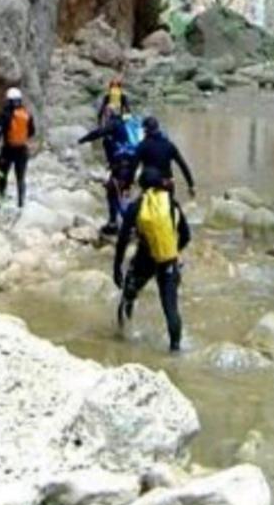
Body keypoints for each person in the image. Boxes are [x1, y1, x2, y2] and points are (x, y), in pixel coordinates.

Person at [114, 167, 192, 352]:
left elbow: (123, 239)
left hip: (144, 259)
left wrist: (117, 266)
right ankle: (175, 350)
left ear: (142, 185)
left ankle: (123, 339)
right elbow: (186, 235)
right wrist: (173, 250)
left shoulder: (137, 206)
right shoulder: (172, 204)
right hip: (169, 261)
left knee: (127, 297)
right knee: (171, 309)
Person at [78, 109, 145, 234]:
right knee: (115, 192)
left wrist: (82, 140)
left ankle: (131, 224)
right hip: (129, 165)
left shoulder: (115, 124)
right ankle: (115, 222)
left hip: (122, 166)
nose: (103, 120)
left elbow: (98, 133)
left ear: (108, 115)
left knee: (116, 193)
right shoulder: (125, 126)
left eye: (104, 116)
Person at [0, 87, 36, 208]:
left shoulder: (5, 115)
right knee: (21, 178)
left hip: (8, 150)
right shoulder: (27, 114)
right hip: (22, 150)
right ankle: (21, 203)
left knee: (3, 175)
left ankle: (0, 200)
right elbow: (31, 132)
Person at [133, 116, 195, 198]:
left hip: (149, 185)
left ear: (145, 131)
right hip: (167, 185)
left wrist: (127, 186)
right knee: (171, 207)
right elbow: (183, 165)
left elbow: (133, 167)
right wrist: (191, 185)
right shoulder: (169, 145)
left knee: (137, 208)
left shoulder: (142, 146)